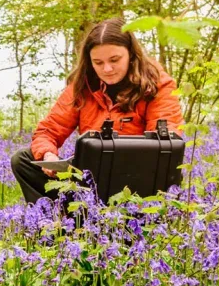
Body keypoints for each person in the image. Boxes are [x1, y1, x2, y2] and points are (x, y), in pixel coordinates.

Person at [10, 17, 186, 204]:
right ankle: (55, 222)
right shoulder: (82, 86)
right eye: (98, 62)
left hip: (138, 176)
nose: (107, 69)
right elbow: (49, 130)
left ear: (131, 55)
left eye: (114, 60)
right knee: (23, 160)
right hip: (90, 176)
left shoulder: (157, 84)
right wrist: (48, 155)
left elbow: (166, 142)